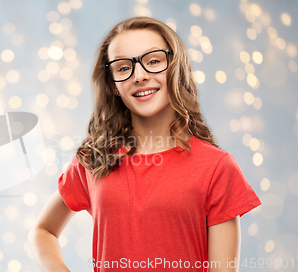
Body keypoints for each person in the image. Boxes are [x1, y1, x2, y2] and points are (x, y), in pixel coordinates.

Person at [28, 16, 261, 272]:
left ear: (175, 68)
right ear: (113, 85)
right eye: (124, 67)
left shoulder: (217, 167)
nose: (139, 75)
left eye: (153, 61)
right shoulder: (95, 159)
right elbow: (43, 231)